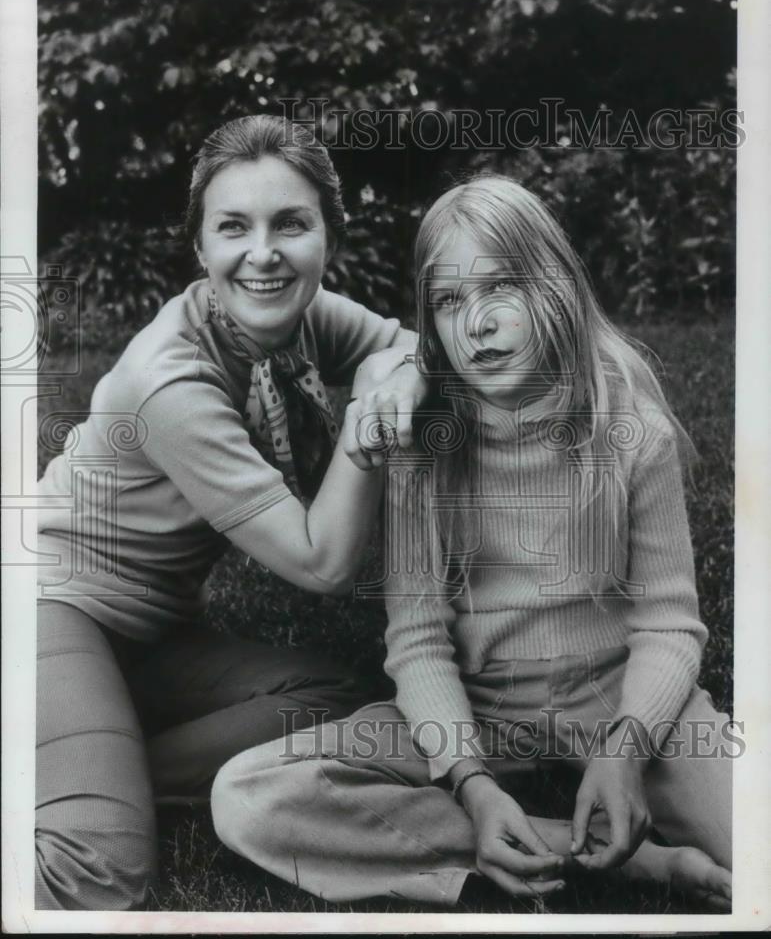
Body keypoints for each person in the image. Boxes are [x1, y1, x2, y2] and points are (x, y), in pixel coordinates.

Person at [211, 175, 733, 910]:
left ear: (554, 287)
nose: (476, 323)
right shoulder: (422, 444)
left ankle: (611, 797)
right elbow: (419, 642)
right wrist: (471, 782)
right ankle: (606, 855)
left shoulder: (630, 431)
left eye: (500, 288)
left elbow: (669, 623)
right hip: (477, 711)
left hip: (619, 700)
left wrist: (625, 749)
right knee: (250, 795)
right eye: (449, 302)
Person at [35, 114, 427, 910]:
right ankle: (81, 788)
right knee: (99, 868)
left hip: (145, 631)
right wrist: (364, 426)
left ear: (327, 237)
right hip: (45, 606)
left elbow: (412, 344)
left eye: (291, 224)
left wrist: (394, 374)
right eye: (233, 227)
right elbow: (321, 561)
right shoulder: (169, 381)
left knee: (334, 698)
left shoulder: (305, 316)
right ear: (201, 249)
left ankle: (82, 766)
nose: (263, 253)